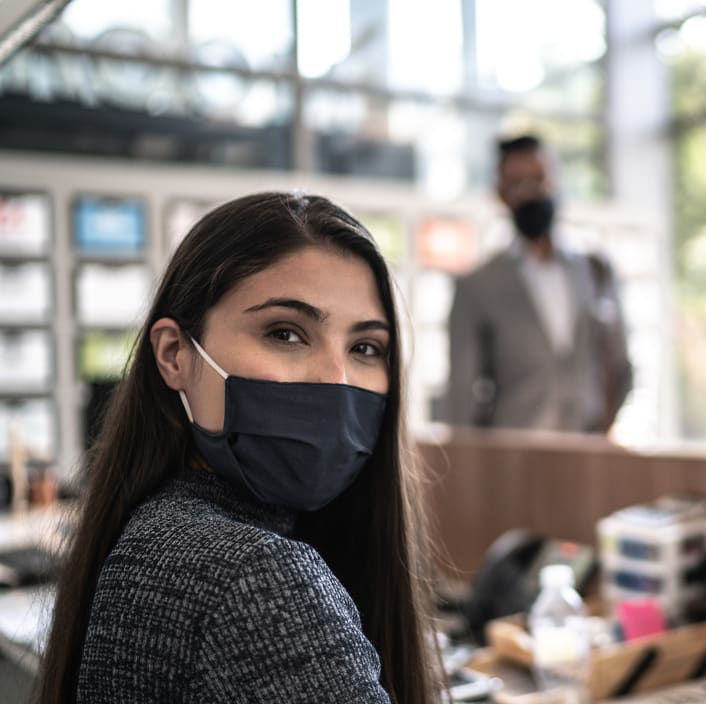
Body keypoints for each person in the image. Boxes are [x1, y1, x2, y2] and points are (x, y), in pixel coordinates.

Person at [36, 193, 443, 702]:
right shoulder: (260, 577)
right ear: (174, 355)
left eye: (365, 348)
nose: (335, 380)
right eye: (285, 333)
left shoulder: (148, 529)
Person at [446, 135, 632, 433]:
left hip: (590, 453)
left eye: (539, 178)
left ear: (555, 181)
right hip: (514, 457)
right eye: (518, 182)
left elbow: (620, 365)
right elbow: (462, 394)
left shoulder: (597, 270)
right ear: (501, 193)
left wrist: (604, 428)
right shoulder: (478, 286)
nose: (532, 192)